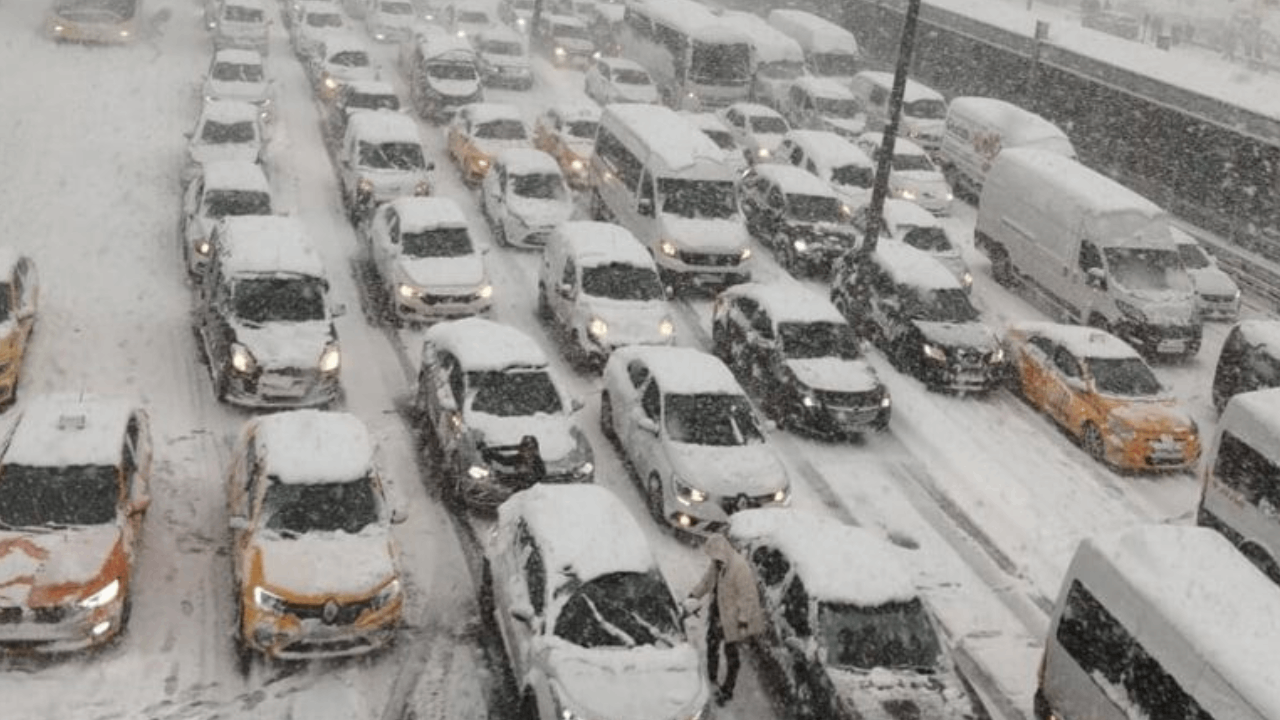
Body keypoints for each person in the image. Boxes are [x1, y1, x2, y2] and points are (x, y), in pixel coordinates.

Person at [685, 534, 766, 706]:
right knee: (712, 645)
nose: (713, 562)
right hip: (718, 613)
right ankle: (711, 678)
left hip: (733, 619)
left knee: (732, 656)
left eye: (715, 558)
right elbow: (706, 582)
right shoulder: (717, 565)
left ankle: (728, 690)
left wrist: (743, 619)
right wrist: (694, 595)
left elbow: (748, 597)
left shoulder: (739, 567)